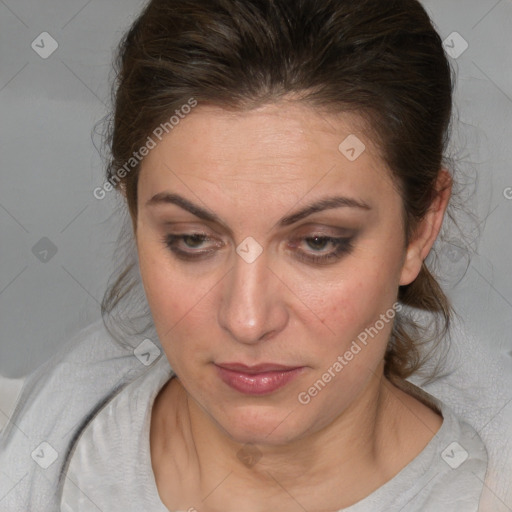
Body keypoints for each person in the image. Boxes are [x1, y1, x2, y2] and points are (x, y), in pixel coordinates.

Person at [1, 0, 504, 510]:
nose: (247, 320)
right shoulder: (45, 460)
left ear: (419, 229)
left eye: (318, 242)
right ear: (135, 217)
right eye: (192, 239)